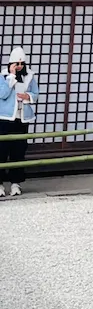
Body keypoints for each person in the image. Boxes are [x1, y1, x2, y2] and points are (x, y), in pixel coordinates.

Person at [0, 46, 39, 197]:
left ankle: (16, 183)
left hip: (22, 118)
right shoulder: (3, 76)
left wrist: (28, 96)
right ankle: (0, 184)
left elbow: (36, 93)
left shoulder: (30, 76)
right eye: (16, 63)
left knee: (19, 150)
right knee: (1, 151)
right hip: (4, 118)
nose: (19, 66)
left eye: (21, 63)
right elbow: (2, 94)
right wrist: (11, 77)